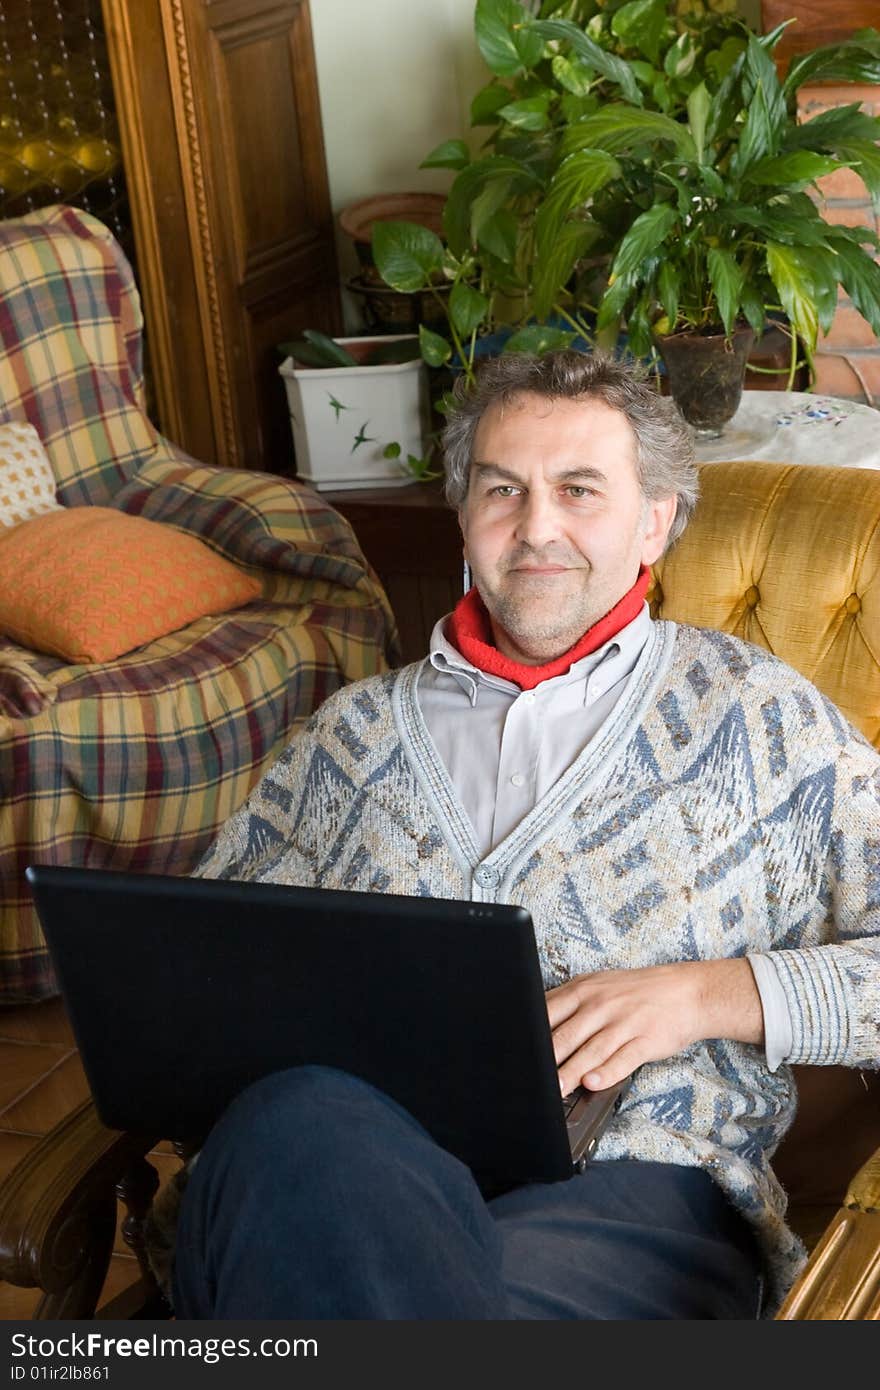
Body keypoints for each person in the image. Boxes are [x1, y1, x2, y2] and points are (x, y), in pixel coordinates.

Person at [169, 351, 880, 1321]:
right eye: (502, 489)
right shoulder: (343, 741)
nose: (536, 527)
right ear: (464, 514)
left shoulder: (761, 724)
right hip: (351, 1173)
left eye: (578, 490)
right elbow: (196, 977)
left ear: (654, 520)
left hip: (631, 1196)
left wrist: (710, 992)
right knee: (294, 1127)